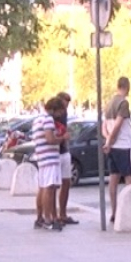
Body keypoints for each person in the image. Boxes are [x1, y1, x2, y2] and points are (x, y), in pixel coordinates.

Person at [103, 77, 131, 223]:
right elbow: (118, 124)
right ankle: (130, 209)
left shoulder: (109, 103)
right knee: (129, 177)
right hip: (122, 145)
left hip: (113, 148)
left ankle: (114, 212)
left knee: (113, 179)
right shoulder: (123, 103)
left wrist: (108, 139)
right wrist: (111, 140)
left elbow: (104, 126)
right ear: (127, 87)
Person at [33, 97, 67, 230]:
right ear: (55, 109)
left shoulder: (37, 119)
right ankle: (48, 219)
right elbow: (50, 139)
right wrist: (62, 138)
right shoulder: (47, 119)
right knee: (49, 188)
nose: (59, 116)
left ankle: (40, 217)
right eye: (59, 112)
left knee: (42, 188)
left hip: (42, 157)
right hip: (50, 158)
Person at [56, 92, 77, 226]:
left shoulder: (64, 114)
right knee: (52, 186)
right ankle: (54, 214)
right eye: (65, 103)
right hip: (56, 152)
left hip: (64, 151)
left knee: (66, 183)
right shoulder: (54, 115)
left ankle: (62, 213)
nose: (66, 107)